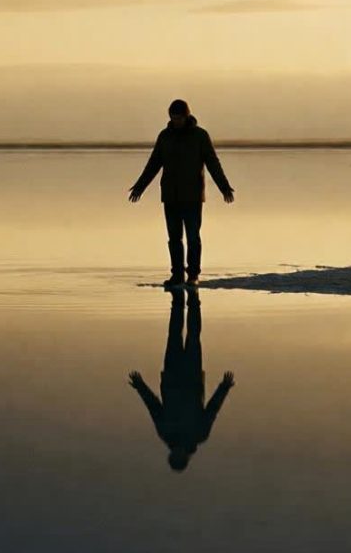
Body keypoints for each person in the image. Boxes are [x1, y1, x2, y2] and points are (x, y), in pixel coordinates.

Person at [127, 99, 234, 287]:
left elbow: (212, 163)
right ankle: (177, 274)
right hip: (170, 196)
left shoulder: (200, 136)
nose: (176, 121)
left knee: (193, 236)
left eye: (179, 118)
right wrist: (139, 187)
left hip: (192, 196)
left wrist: (224, 186)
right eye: (173, 118)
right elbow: (153, 164)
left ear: (186, 116)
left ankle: (193, 275)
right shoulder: (165, 137)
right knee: (174, 238)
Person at [128, 289, 234, 472]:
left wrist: (140, 386)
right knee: (193, 337)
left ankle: (177, 302)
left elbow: (153, 406)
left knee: (173, 336)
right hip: (192, 378)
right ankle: (194, 301)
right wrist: (224, 388)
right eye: (178, 457)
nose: (176, 453)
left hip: (171, 376)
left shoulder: (165, 433)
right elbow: (212, 410)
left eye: (173, 456)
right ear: (186, 457)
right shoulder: (199, 434)